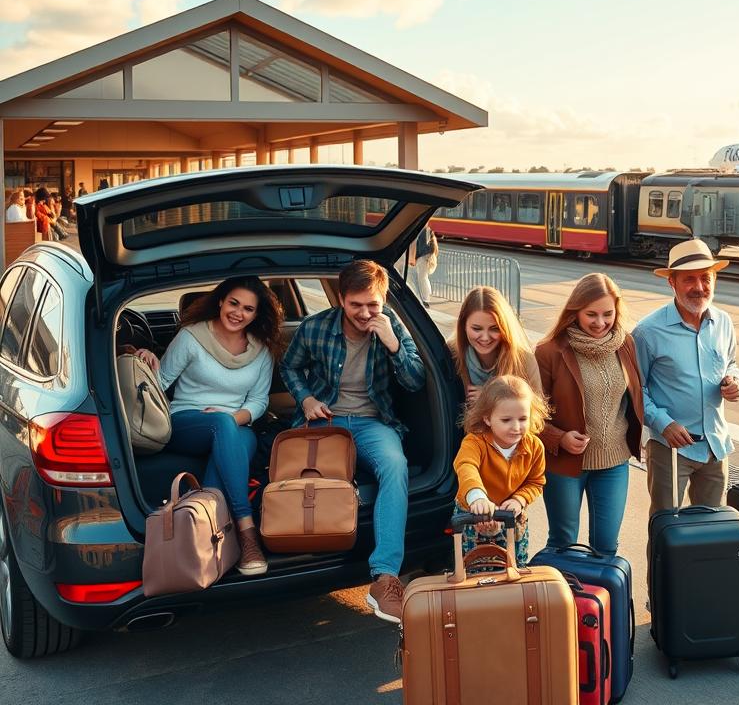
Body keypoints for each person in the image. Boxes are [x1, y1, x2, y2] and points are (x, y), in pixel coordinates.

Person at [279, 259, 425, 624]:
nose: (364, 313)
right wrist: (307, 399)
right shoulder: (315, 328)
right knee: (292, 473)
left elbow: (416, 381)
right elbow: (290, 367)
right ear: (341, 299)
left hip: (372, 422)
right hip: (324, 421)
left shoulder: (392, 328)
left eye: (372, 304)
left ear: (383, 298)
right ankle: (287, 548)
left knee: (395, 465)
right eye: (356, 304)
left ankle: (385, 576)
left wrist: (393, 345)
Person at [136, 276, 283, 577]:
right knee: (220, 425)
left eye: (248, 309)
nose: (238, 313)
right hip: (185, 422)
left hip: (236, 426)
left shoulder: (262, 349)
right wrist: (146, 361)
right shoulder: (192, 337)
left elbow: (258, 402)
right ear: (220, 301)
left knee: (228, 432)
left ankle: (207, 542)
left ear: (257, 314)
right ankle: (247, 534)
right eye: (233, 303)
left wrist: (231, 418)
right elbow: (160, 384)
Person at [633, 238, 739, 518]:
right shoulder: (648, 331)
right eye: (689, 280)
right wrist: (663, 423)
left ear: (714, 279)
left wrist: (735, 381)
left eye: (705, 278)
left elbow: (732, 364)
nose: (699, 287)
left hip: (715, 445)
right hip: (670, 449)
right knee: (666, 527)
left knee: (711, 530)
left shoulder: (724, 322)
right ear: (672, 282)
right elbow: (634, 389)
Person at [535, 273, 644, 556]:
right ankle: (562, 599)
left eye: (608, 314)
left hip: (614, 463)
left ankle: (602, 601)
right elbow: (532, 415)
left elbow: (633, 397)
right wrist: (559, 438)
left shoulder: (626, 344)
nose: (600, 322)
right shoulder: (549, 352)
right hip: (566, 464)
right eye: (591, 314)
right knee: (563, 542)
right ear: (575, 312)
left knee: (606, 547)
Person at [453, 375, 547, 567]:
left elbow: (536, 482)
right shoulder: (475, 442)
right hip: (474, 513)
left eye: (523, 419)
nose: (516, 427)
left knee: (514, 566)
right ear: (487, 418)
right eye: (506, 420)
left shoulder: (534, 446)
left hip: (510, 515)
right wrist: (477, 497)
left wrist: (520, 499)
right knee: (474, 567)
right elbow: (466, 467)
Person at [448, 286, 541, 406]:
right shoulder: (450, 354)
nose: (485, 337)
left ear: (505, 328)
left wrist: (490, 398)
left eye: (494, 329)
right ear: (463, 326)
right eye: (477, 329)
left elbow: (536, 411)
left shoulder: (524, 360)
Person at [412, 224, 438, 307]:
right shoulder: (427, 230)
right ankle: (425, 297)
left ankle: (425, 299)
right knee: (423, 277)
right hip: (427, 256)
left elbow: (421, 246)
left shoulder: (423, 231)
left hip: (424, 257)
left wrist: (415, 258)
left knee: (422, 278)